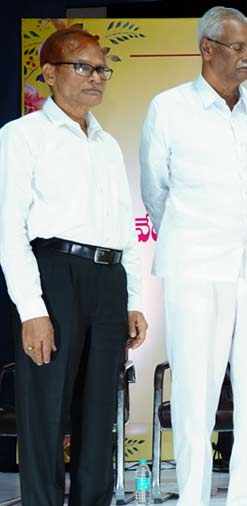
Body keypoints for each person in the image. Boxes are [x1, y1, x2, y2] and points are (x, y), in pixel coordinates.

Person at [139, 7, 247, 504]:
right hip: (196, 269)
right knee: (195, 395)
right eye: (237, 47)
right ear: (206, 48)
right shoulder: (170, 108)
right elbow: (155, 191)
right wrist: (190, 238)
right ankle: (194, 498)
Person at [0, 27, 148, 505]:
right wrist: (31, 310)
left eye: (101, 68)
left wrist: (133, 300)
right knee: (45, 413)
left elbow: (124, 228)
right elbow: (9, 229)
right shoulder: (21, 137)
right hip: (54, 276)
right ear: (48, 73)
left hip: (109, 280)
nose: (96, 78)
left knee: (99, 411)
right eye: (82, 67)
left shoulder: (106, 143)